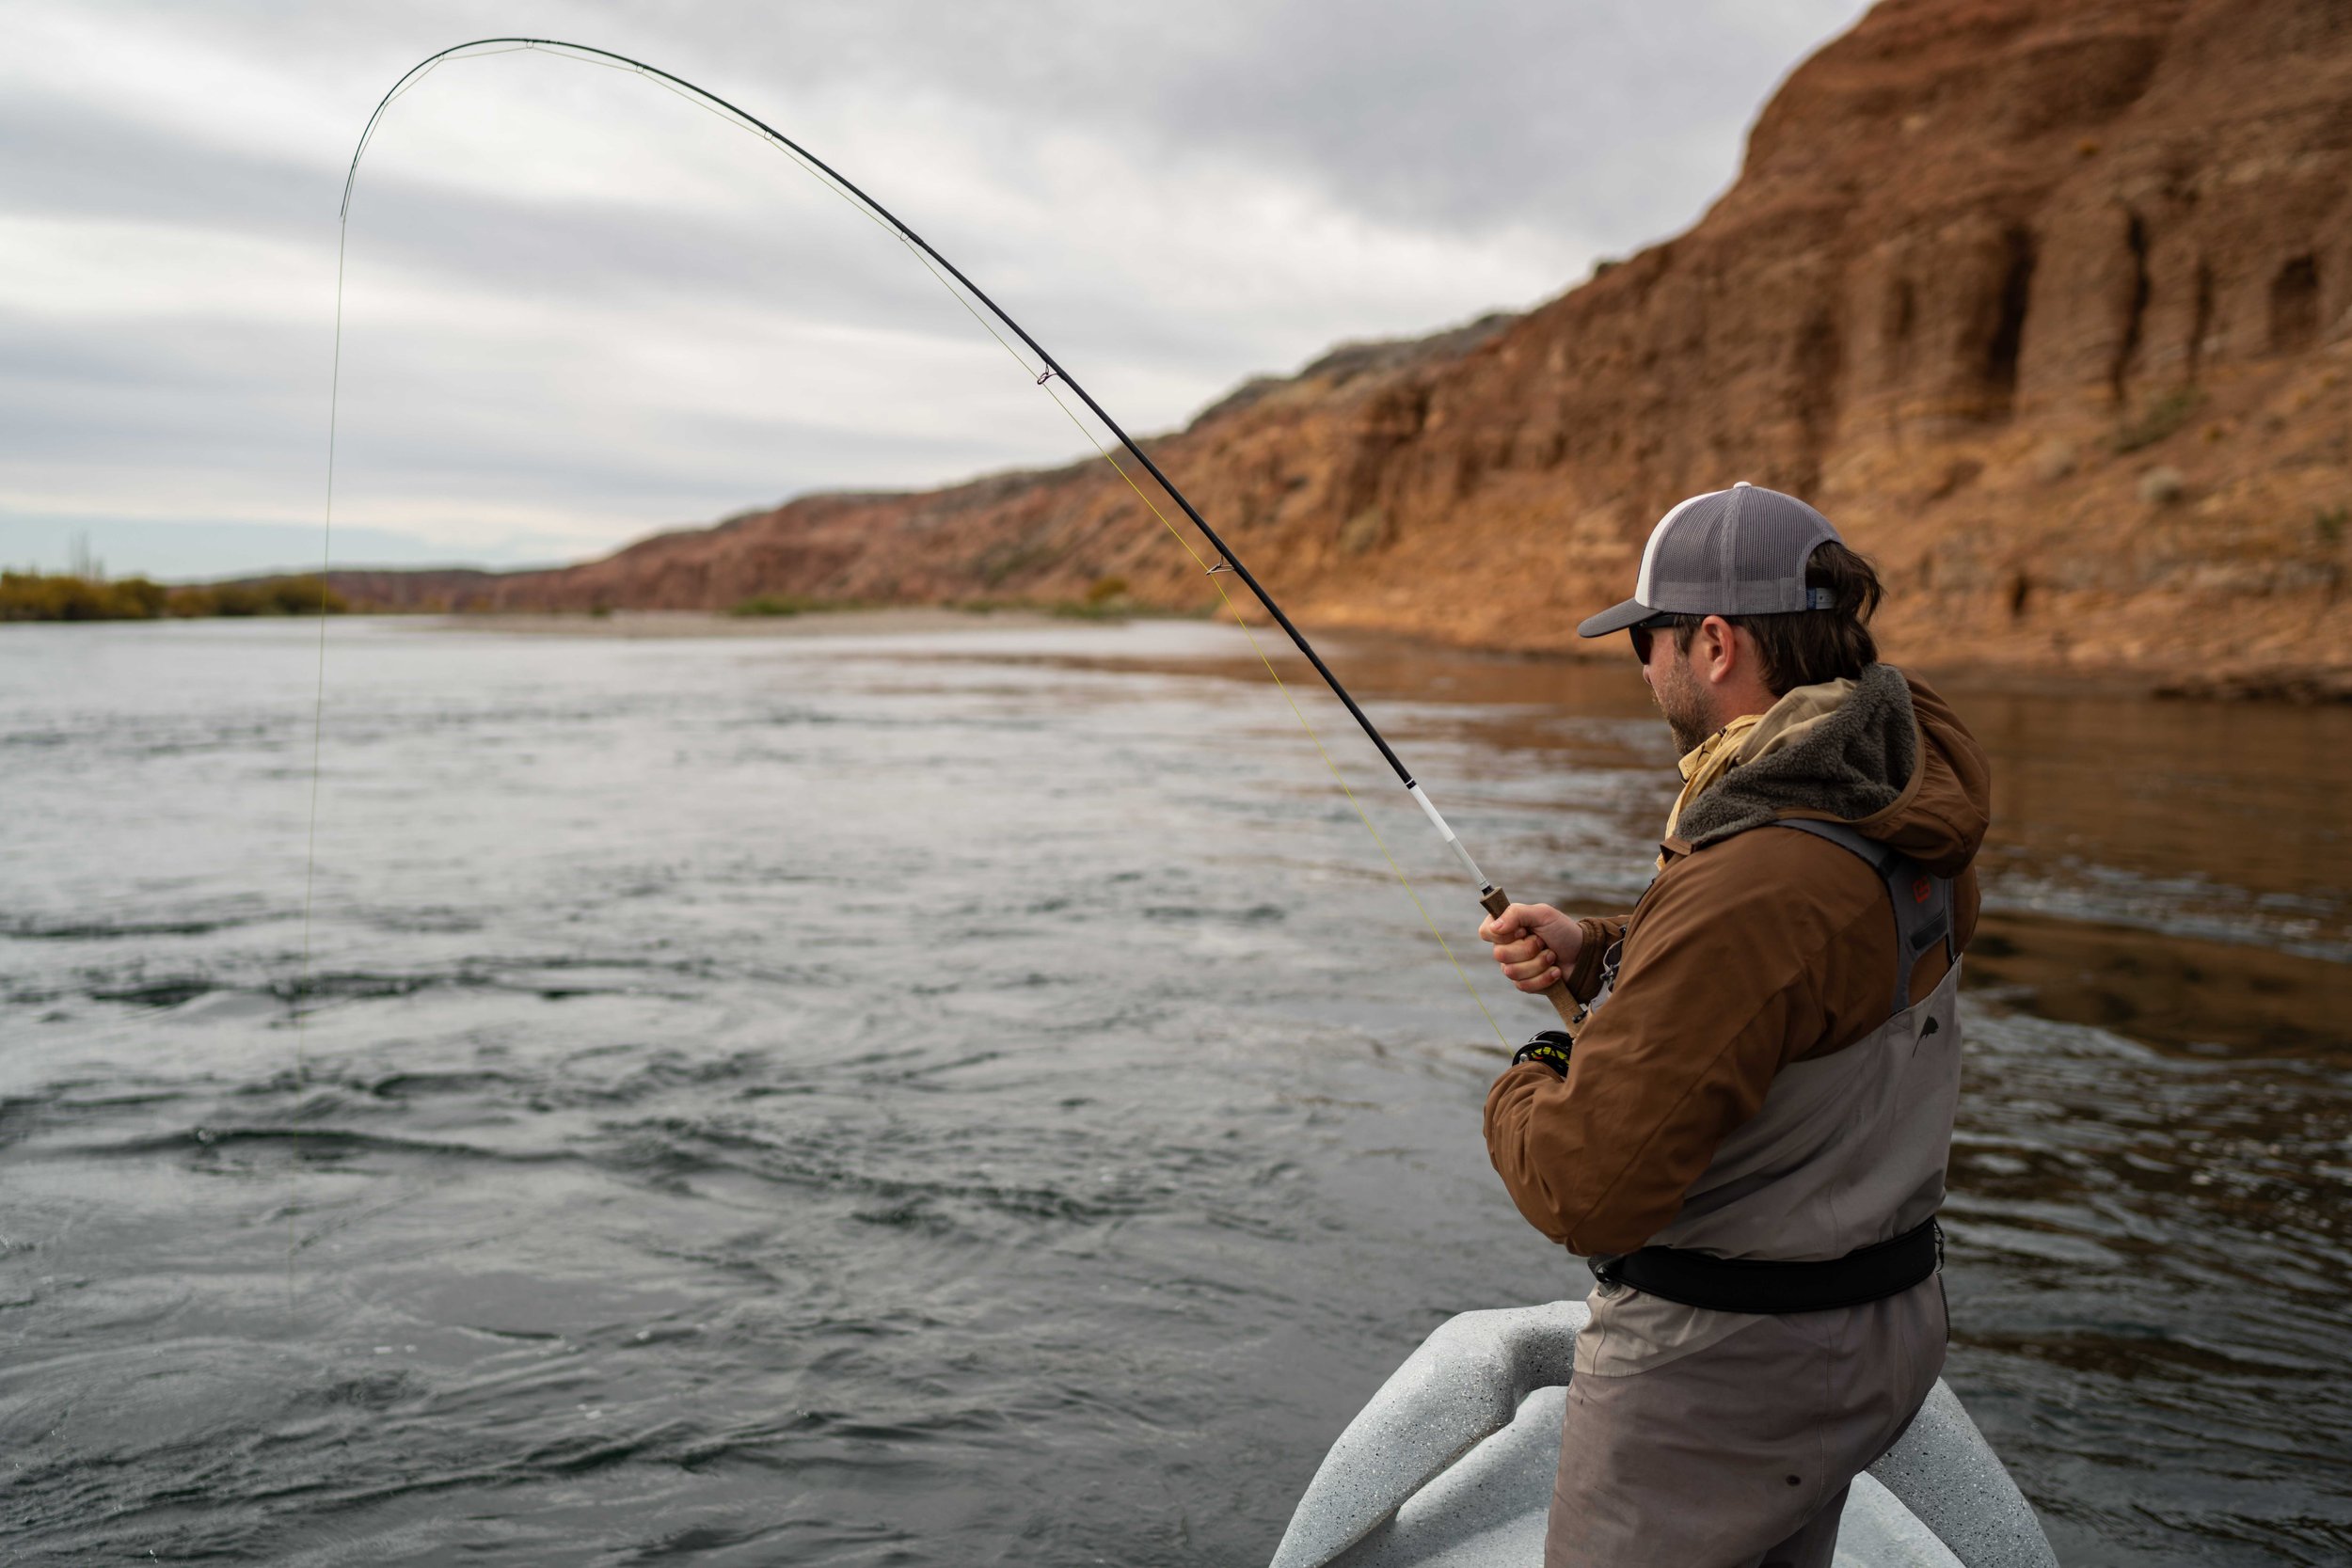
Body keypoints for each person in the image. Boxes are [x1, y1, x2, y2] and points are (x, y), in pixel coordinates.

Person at [1478, 483, 1993, 1568]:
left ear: (1712, 643)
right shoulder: (1894, 797)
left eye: (1645, 640)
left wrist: (1535, 1063)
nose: (1646, 665)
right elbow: (1809, 979)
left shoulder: (1756, 873)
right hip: (1876, 1320)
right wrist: (1603, 946)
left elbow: (1586, 1185)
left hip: (1721, 1375)